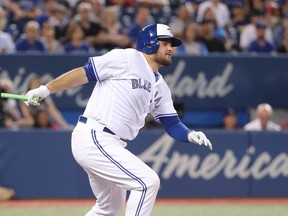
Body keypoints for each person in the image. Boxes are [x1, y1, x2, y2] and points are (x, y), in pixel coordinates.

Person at [24, 23, 212, 216]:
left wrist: (189, 134)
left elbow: (171, 122)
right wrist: (46, 89)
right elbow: (85, 73)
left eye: (171, 44)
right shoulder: (128, 58)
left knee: (109, 208)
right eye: (165, 43)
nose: (171, 48)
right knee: (147, 182)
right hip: (95, 136)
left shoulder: (160, 86)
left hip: (111, 143)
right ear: (150, 43)